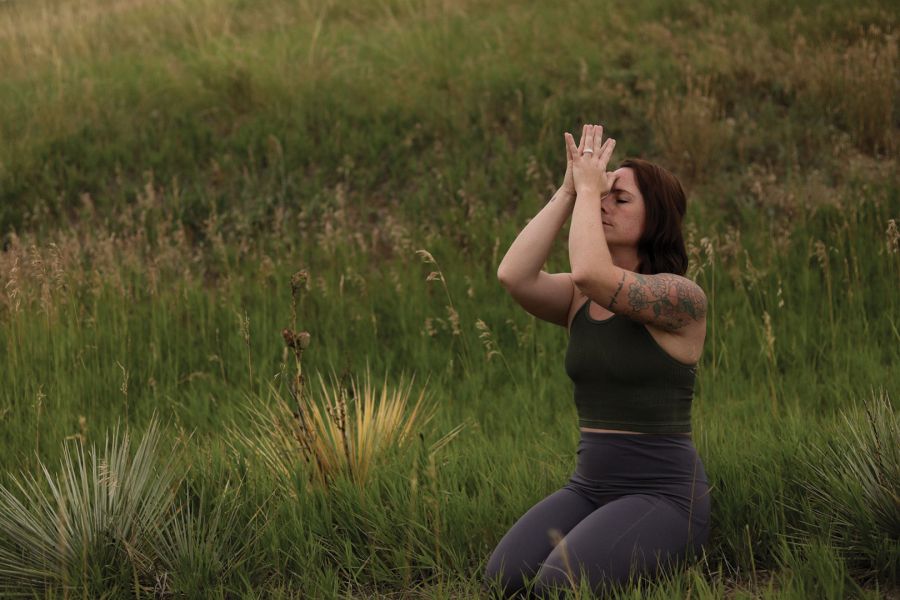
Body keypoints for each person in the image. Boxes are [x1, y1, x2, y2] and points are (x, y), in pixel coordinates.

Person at [484, 124, 710, 598]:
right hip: (589, 488)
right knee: (503, 578)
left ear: (656, 219)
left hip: (663, 497)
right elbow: (514, 275)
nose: (604, 203)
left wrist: (589, 191)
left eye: (619, 199)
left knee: (558, 588)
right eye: (603, 194)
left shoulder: (680, 298)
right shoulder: (578, 297)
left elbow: (591, 271)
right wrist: (570, 189)